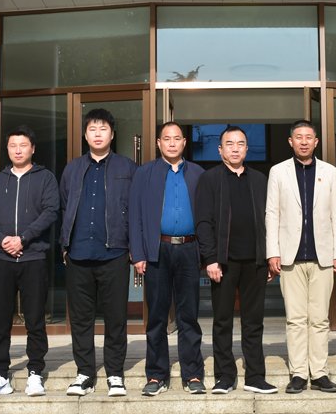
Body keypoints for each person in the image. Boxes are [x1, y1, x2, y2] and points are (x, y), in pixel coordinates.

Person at [59, 108, 137, 397]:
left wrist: (133, 248)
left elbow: (136, 210)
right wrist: (64, 246)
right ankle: (85, 373)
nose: (98, 134)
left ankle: (115, 373)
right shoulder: (72, 168)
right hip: (78, 254)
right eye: (92, 129)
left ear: (112, 134)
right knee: (81, 319)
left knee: (116, 317)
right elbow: (64, 207)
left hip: (114, 252)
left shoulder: (127, 168)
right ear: (85, 134)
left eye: (103, 129)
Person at [194, 126, 277, 395]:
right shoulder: (210, 179)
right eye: (229, 144)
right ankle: (225, 376)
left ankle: (255, 376)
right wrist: (210, 258)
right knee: (222, 321)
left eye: (240, 144)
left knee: (254, 322)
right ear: (220, 150)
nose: (235, 148)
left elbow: (269, 219)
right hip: (224, 262)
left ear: (247, 149)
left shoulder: (259, 179)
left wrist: (269, 256)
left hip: (255, 261)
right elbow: (203, 222)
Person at [266, 119, 336, 394]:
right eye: (298, 137)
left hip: (323, 257)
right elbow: (272, 214)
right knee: (296, 319)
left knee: (320, 319)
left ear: (316, 142)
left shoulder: (330, 172)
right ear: (291, 142)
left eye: (308, 137)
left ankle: (320, 372)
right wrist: (273, 252)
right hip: (290, 257)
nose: (303, 141)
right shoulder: (278, 172)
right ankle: (299, 373)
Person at [0, 126, 60, 398]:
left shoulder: (45, 178)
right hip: (1, 257)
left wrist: (23, 238)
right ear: (7, 149)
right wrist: (2, 239)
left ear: (32, 148)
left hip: (33, 256)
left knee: (35, 318)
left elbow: (51, 211)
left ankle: (35, 372)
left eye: (23, 145)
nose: (17, 150)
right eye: (13, 145)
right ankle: (0, 373)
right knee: (0, 319)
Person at [129, 121, 206, 396]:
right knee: (157, 316)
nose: (172, 143)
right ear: (158, 143)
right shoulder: (144, 173)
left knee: (189, 315)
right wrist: (138, 254)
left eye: (177, 138)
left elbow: (206, 216)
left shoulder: (197, 173)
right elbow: (135, 215)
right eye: (166, 138)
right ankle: (156, 375)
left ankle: (192, 374)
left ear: (184, 142)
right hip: (156, 250)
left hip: (188, 249)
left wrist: (206, 254)